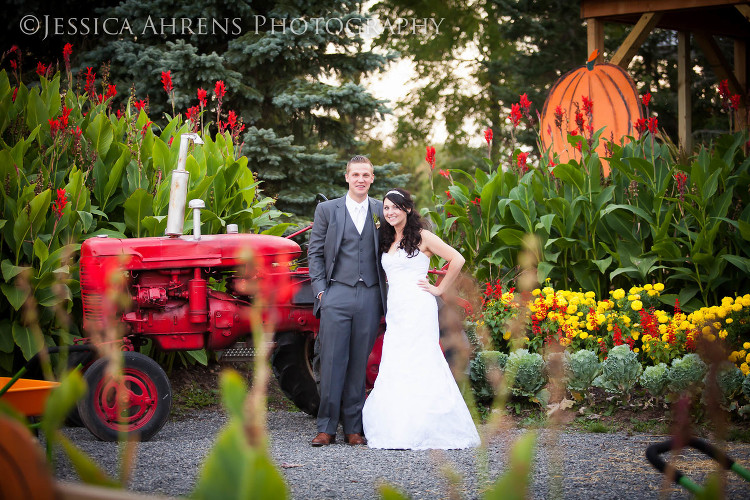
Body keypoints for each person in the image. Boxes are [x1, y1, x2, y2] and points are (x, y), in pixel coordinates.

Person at [362, 188, 480, 450]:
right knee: (397, 360)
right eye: (386, 208)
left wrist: (439, 289)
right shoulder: (387, 238)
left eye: (395, 207)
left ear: (406, 209)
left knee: (421, 358)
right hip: (396, 308)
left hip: (418, 305)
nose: (390, 212)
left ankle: (429, 424)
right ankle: (398, 423)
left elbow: (456, 259)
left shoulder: (422, 236)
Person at [307, 155, 387, 447]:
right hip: (336, 293)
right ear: (347, 177)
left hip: (370, 295)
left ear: (373, 178)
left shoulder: (382, 210)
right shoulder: (328, 210)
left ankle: (354, 428)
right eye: (356, 175)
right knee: (331, 362)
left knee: (357, 365)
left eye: (366, 175)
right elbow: (314, 253)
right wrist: (321, 293)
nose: (361, 180)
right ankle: (326, 428)